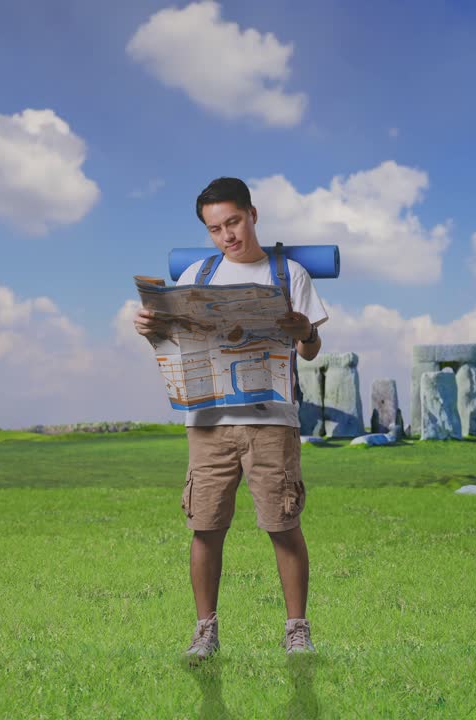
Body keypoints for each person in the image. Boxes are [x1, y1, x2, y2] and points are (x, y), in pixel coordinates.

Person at [133, 177, 329, 662]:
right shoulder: (196, 275)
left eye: (234, 222)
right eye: (215, 228)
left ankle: (297, 631)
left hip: (272, 421)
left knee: (282, 524)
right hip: (207, 421)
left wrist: (305, 330)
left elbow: (310, 350)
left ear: (252, 214)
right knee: (205, 526)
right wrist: (150, 328)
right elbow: (175, 344)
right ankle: (205, 631)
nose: (227, 235)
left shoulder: (289, 274)